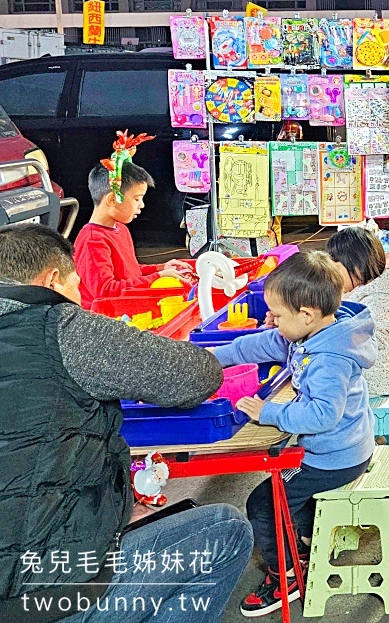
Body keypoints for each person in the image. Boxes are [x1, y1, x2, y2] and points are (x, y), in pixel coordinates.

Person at [0, 224, 251, 622]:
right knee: (227, 531)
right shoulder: (61, 328)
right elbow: (198, 375)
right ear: (50, 281)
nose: (80, 298)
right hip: (49, 598)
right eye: (74, 286)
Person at [212, 251, 375, 616]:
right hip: (344, 446)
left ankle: (284, 574)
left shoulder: (328, 357)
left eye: (279, 315)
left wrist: (269, 412)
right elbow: (258, 345)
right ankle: (303, 541)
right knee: (284, 491)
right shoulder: (315, 333)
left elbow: (322, 415)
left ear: (306, 314)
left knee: (264, 503)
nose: (272, 321)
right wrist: (211, 358)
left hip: (334, 457)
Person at [74, 161, 193, 311]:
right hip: (104, 320)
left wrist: (160, 268)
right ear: (112, 199)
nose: (142, 205)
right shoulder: (92, 240)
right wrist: (158, 277)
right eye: (137, 199)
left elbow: (130, 273)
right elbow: (105, 292)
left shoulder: (121, 229)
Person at [326, 226, 389, 399]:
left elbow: (371, 342)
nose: (332, 276)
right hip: (359, 370)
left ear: (356, 267)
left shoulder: (382, 299)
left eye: (336, 270)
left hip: (372, 380)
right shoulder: (359, 284)